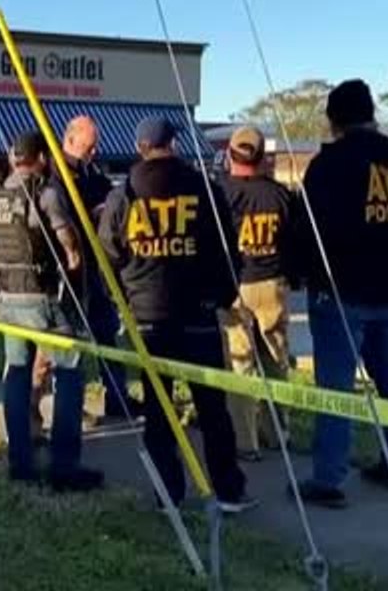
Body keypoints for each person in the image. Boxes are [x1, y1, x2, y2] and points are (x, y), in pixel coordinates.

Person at [99, 117, 256, 513]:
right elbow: (228, 250)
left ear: (140, 147)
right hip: (199, 314)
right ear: (173, 144)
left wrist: (125, 297)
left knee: (159, 410)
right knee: (212, 408)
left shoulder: (124, 195)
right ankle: (228, 490)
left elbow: (109, 254)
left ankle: (168, 495)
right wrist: (223, 296)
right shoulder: (203, 188)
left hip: (150, 316)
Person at [290, 79, 388, 508]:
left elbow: (308, 232)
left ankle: (328, 479)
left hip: (340, 291)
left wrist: (301, 271)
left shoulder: (330, 166)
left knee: (336, 386)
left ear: (334, 120)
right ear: (371, 113)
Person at [0, 130, 103, 492]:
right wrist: (74, 256)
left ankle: (20, 461)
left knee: (17, 372)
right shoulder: (44, 192)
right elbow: (65, 234)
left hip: (7, 298)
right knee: (69, 371)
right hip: (43, 297)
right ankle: (64, 466)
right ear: (41, 159)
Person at [220, 126, 295, 462]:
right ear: (262, 155)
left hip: (235, 285)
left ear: (230, 154)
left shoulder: (221, 193)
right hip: (273, 283)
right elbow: (295, 240)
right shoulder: (280, 194)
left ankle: (244, 441)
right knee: (277, 360)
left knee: (240, 365)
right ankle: (278, 433)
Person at [61, 114, 138, 424]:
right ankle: (72, 403)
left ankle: (117, 397)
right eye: (88, 147)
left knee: (107, 334)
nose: (94, 153)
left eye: (96, 148)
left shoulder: (92, 171)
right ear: (70, 141)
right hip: (72, 272)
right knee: (73, 341)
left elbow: (109, 195)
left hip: (96, 268)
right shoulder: (59, 175)